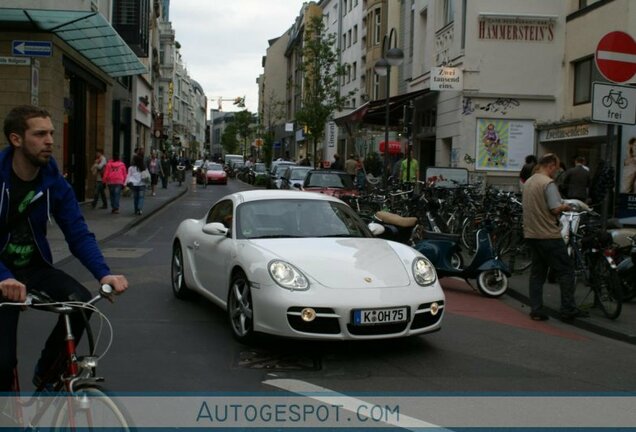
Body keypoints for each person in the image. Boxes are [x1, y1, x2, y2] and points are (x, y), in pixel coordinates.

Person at [0, 105, 128, 392]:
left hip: (33, 268)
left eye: (51, 133)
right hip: (1, 273)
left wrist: (103, 274)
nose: (50, 141)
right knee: (3, 363)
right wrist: (3, 276)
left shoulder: (54, 183)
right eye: (40, 134)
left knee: (80, 303)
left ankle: (48, 372)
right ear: (16, 139)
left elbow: (78, 234)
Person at [522, 153, 589, 322]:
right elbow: (554, 208)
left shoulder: (529, 182)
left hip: (531, 234)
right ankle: (568, 310)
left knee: (537, 274)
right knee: (566, 271)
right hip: (548, 235)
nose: (556, 172)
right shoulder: (548, 183)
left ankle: (536, 309)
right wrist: (565, 206)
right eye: (556, 168)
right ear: (550, 165)